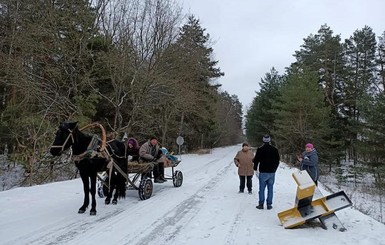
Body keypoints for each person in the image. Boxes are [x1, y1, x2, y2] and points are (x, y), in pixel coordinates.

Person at [253, 135, 280, 210]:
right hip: (272, 172)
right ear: (269, 140)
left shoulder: (260, 149)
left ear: (263, 140)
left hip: (263, 171)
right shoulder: (274, 149)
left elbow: (256, 160)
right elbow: (277, 160)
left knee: (262, 189)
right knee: (270, 189)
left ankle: (261, 204)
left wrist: (255, 168)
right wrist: (274, 169)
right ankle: (269, 204)